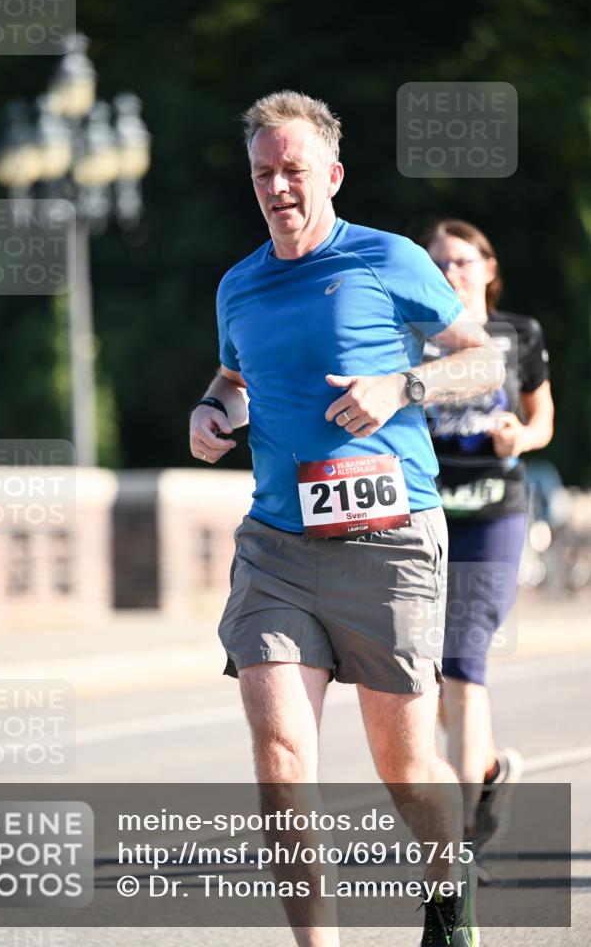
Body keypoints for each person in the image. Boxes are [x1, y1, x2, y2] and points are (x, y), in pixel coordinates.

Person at [189, 91, 504, 947]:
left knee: (404, 768)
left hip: (389, 541)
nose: (276, 187)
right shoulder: (238, 284)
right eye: (262, 173)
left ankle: (447, 896)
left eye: (292, 170)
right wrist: (212, 410)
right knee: (280, 761)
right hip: (277, 547)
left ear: (331, 174)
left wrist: (401, 386)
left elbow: (484, 362)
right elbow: (234, 378)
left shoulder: (386, 257)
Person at [417, 219, 554, 850]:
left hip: (494, 514)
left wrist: (518, 437)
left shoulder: (518, 333)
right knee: (432, 678)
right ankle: (490, 770)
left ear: (489, 268)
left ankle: (462, 838)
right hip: (423, 515)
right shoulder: (409, 338)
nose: (450, 273)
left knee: (464, 665)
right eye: (438, 262)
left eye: (463, 261)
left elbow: (541, 418)